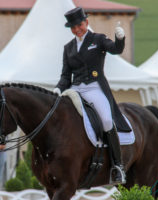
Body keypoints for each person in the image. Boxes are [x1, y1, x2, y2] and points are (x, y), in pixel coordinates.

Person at [53, 7, 131, 184]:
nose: (77, 29)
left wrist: (120, 39)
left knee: (106, 120)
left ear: (86, 23)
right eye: (73, 27)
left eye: (79, 25)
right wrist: (58, 89)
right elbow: (66, 75)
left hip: (94, 87)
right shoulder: (68, 47)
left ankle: (118, 166)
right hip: (75, 89)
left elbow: (115, 50)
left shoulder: (98, 39)